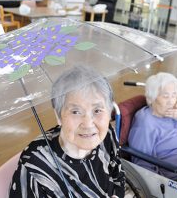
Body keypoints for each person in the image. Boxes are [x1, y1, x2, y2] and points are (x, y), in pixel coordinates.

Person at [9, 65, 125, 197]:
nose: (88, 124)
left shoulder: (107, 134)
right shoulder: (35, 164)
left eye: (97, 110)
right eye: (75, 112)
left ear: (110, 112)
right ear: (58, 116)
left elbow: (117, 176)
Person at [128, 72, 177, 182]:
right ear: (152, 98)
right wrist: (161, 185)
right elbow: (142, 163)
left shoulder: (175, 113)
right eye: (165, 96)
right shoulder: (145, 123)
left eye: (174, 95)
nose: (171, 101)